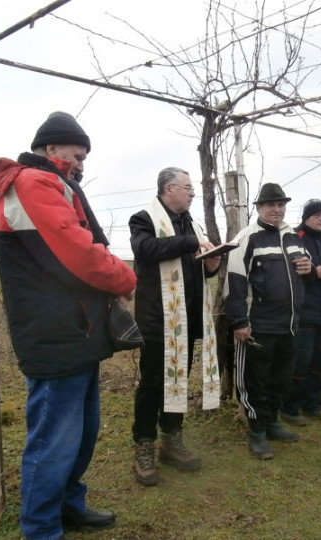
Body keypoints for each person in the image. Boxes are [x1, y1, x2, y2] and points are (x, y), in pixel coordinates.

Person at [0, 112, 136, 540]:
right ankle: (40, 528)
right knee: (54, 438)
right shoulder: (31, 184)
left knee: (82, 431)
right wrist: (125, 278)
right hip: (54, 332)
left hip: (75, 328)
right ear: (51, 148)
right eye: (76, 155)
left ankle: (67, 507)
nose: (80, 165)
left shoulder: (52, 184)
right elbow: (78, 253)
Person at [128, 167, 221, 487]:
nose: (193, 192)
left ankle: (171, 439)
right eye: (187, 187)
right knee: (153, 383)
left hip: (188, 318)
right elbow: (146, 250)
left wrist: (212, 265)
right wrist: (191, 242)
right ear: (168, 189)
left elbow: (196, 272)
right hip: (158, 320)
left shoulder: (190, 223)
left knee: (178, 381)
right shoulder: (144, 219)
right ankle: (144, 446)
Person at [225, 183, 313, 460]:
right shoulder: (246, 238)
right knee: (255, 381)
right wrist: (239, 321)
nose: (277, 209)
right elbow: (234, 283)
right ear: (259, 208)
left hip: (289, 324)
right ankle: (257, 430)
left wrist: (308, 266)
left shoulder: (293, 237)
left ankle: (273, 422)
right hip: (257, 325)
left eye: (281, 204)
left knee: (280, 378)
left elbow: (304, 265)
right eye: (271, 205)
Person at [280, 199, 321, 426]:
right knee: (300, 362)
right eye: (317, 215)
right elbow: (287, 272)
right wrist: (313, 273)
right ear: (306, 217)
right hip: (302, 313)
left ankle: (314, 406)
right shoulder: (294, 239)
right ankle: (290, 408)